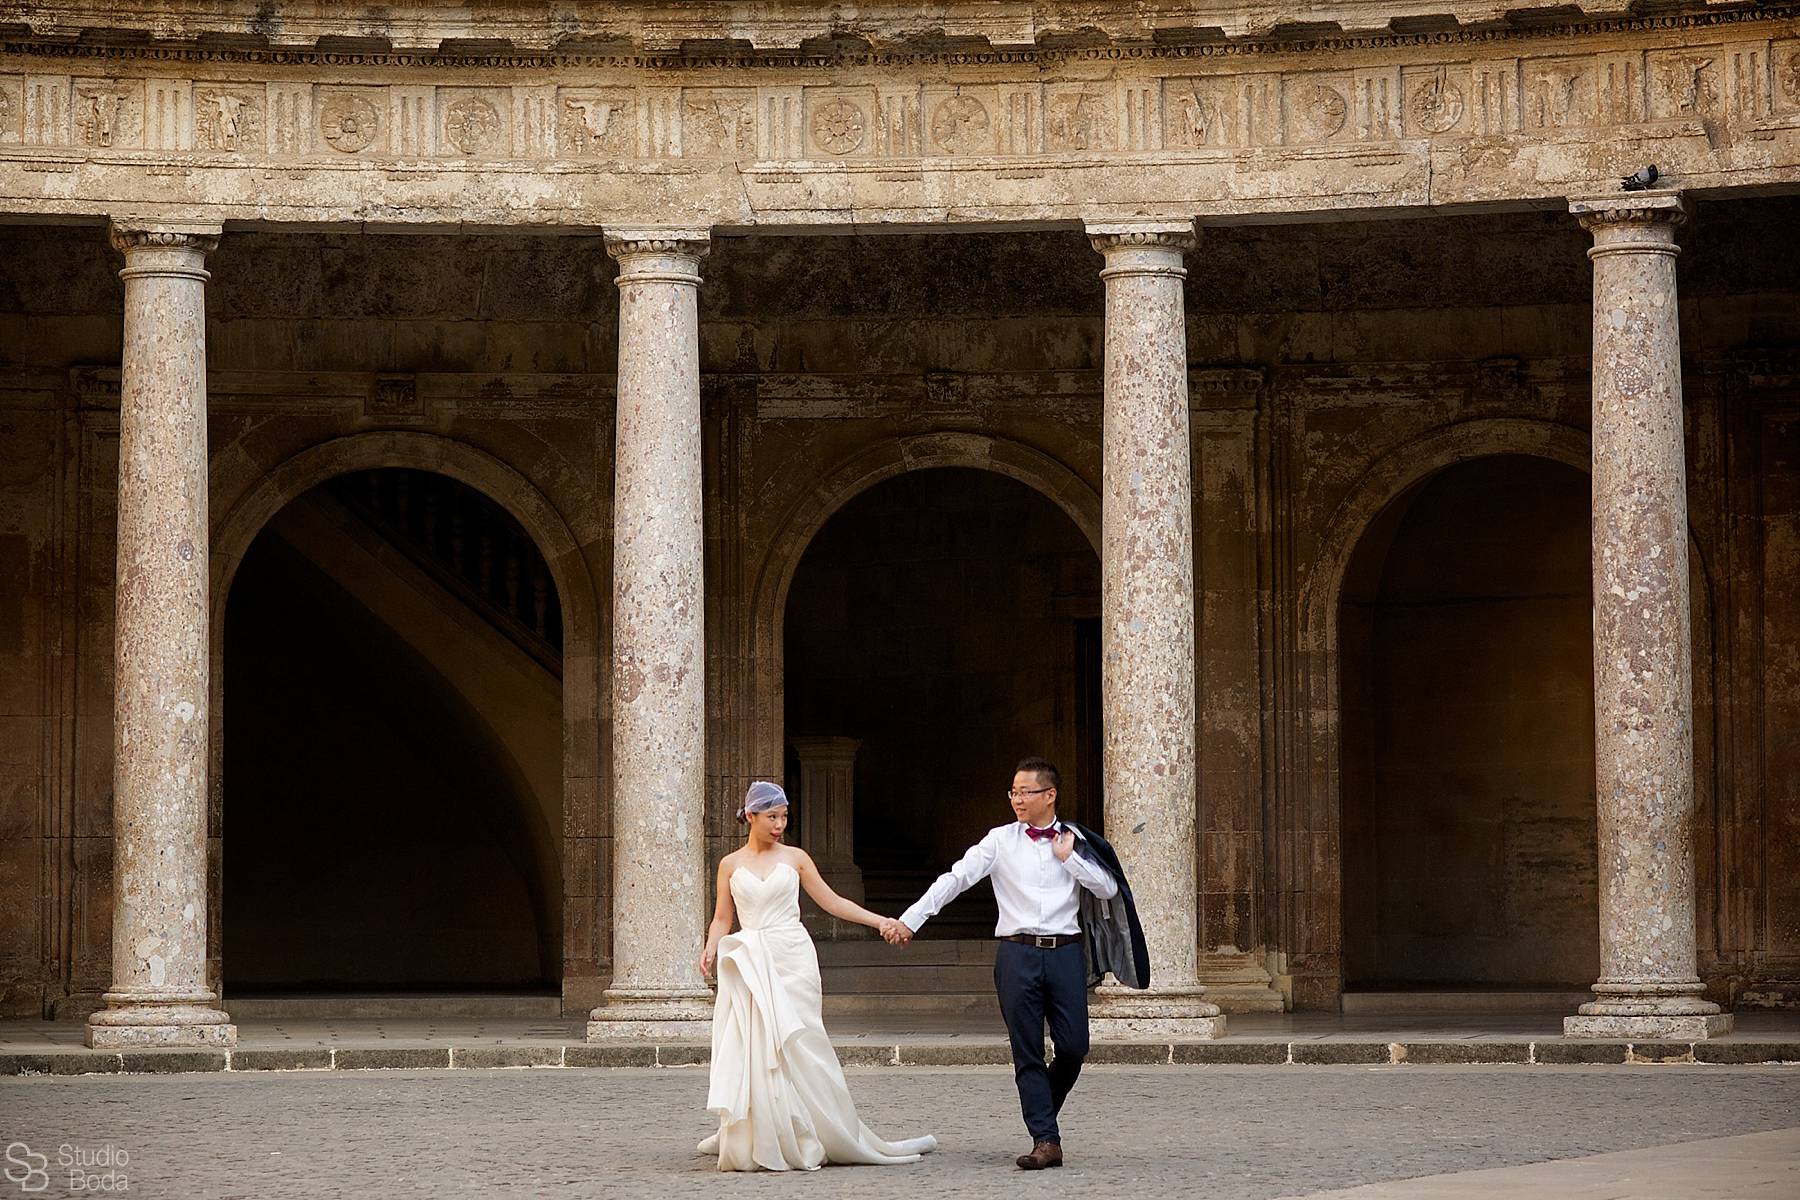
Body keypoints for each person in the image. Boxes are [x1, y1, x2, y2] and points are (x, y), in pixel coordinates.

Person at [889, 756, 1143, 1171]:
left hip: (1065, 952)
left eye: (1025, 792)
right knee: (1026, 1050)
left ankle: (1042, 1111)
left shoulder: (1075, 840)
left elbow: (1109, 887)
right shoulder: (1000, 840)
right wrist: (910, 920)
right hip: (1016, 953)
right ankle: (1046, 1139)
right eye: (1013, 792)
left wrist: (1070, 858)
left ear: (1050, 795)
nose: (1017, 800)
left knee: (1075, 1046)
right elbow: (956, 878)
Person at [697, 780, 937, 1172]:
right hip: (754, 959)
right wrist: (710, 947)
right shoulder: (730, 864)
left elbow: (832, 901)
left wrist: (880, 922)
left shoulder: (796, 858)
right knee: (757, 1044)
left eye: (784, 816)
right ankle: (768, 1129)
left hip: (792, 956)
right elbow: (723, 917)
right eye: (772, 816)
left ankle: (825, 1128)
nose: (779, 824)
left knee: (803, 1041)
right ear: (751, 816)